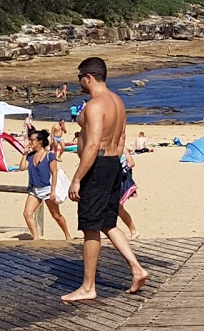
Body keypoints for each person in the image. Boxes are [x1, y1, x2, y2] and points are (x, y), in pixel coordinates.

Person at [62, 57, 148, 303]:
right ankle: (137, 268)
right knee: (108, 222)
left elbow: (92, 145)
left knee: (90, 227)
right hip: (112, 163)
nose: (79, 83)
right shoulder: (118, 102)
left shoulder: (95, 105)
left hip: (97, 166)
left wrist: (78, 178)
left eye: (80, 78)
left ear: (88, 77)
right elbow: (121, 141)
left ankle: (88, 286)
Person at [19, 130, 71, 241]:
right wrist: (25, 154)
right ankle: (35, 238)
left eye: (32, 140)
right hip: (34, 190)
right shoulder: (31, 156)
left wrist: (53, 191)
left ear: (40, 142)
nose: (30, 143)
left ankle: (67, 235)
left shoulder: (49, 156)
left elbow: (54, 173)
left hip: (47, 189)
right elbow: (22, 167)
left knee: (56, 215)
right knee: (27, 213)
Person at [118, 152, 140, 241]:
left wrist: (120, 169)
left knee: (117, 207)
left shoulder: (122, 146)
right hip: (108, 179)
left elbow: (131, 163)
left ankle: (134, 230)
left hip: (120, 178)